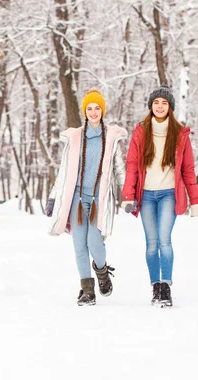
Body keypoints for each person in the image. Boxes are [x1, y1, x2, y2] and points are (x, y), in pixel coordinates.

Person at [121, 84, 198, 308]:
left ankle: (166, 286)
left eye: (164, 103)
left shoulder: (180, 134)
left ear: (170, 107)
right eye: (156, 102)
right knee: (151, 245)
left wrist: (194, 201)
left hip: (168, 195)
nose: (159, 106)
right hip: (145, 195)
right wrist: (128, 195)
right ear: (150, 106)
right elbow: (132, 166)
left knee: (164, 241)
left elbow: (188, 170)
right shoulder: (141, 131)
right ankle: (155, 285)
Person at [46, 88, 128, 306]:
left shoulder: (110, 138)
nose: (93, 112)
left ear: (102, 110)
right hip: (77, 200)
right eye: (89, 108)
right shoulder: (75, 138)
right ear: (85, 111)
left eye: (97, 108)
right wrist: (54, 197)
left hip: (98, 199)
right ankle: (86, 290)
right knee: (79, 245)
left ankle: (102, 273)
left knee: (94, 242)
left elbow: (119, 169)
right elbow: (64, 172)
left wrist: (128, 195)